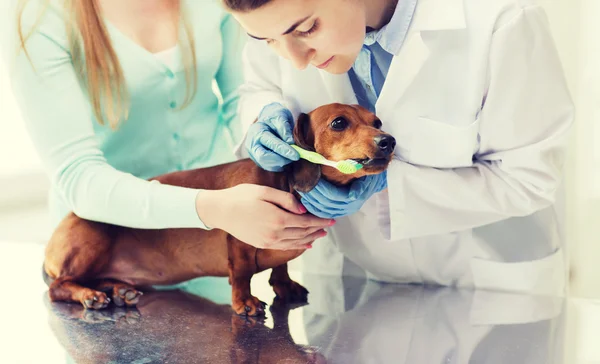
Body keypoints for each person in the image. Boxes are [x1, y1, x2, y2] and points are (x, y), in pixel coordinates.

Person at [223, 0, 575, 296]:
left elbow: (529, 179)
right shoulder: (278, 17)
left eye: (308, 28)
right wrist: (263, 114)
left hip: (485, 281)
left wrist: (387, 184)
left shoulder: (504, 21)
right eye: (266, 39)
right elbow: (259, 87)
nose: (295, 60)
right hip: (350, 276)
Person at [6, 0, 334, 256]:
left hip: (213, 246)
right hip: (104, 254)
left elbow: (240, 96)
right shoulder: (40, 19)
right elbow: (77, 177)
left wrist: (263, 135)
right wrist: (213, 208)